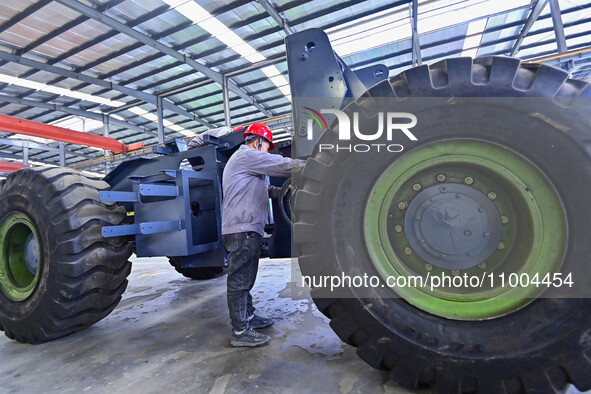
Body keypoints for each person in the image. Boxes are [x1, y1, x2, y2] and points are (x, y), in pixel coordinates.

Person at [221, 122, 306, 347]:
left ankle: (248, 317)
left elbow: (264, 189)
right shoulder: (246, 156)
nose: (268, 150)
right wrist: (314, 166)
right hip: (242, 228)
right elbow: (279, 164)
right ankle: (240, 332)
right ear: (258, 142)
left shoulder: (248, 163)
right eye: (268, 146)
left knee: (246, 277)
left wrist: (281, 191)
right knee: (240, 280)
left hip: (247, 228)